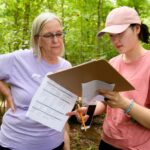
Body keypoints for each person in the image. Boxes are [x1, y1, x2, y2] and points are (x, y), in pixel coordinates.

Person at [68, 6, 150, 150]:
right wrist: (90, 111)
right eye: (111, 35)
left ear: (136, 29)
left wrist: (125, 104)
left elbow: (121, 102)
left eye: (120, 33)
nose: (115, 40)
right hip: (107, 141)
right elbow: (106, 102)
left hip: (136, 146)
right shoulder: (113, 63)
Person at [0, 12, 71, 150]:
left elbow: (62, 111)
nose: (56, 40)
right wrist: (7, 92)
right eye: (49, 35)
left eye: (59, 34)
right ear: (37, 39)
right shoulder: (19, 59)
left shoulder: (66, 67)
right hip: (15, 143)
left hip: (54, 144)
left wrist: (66, 142)